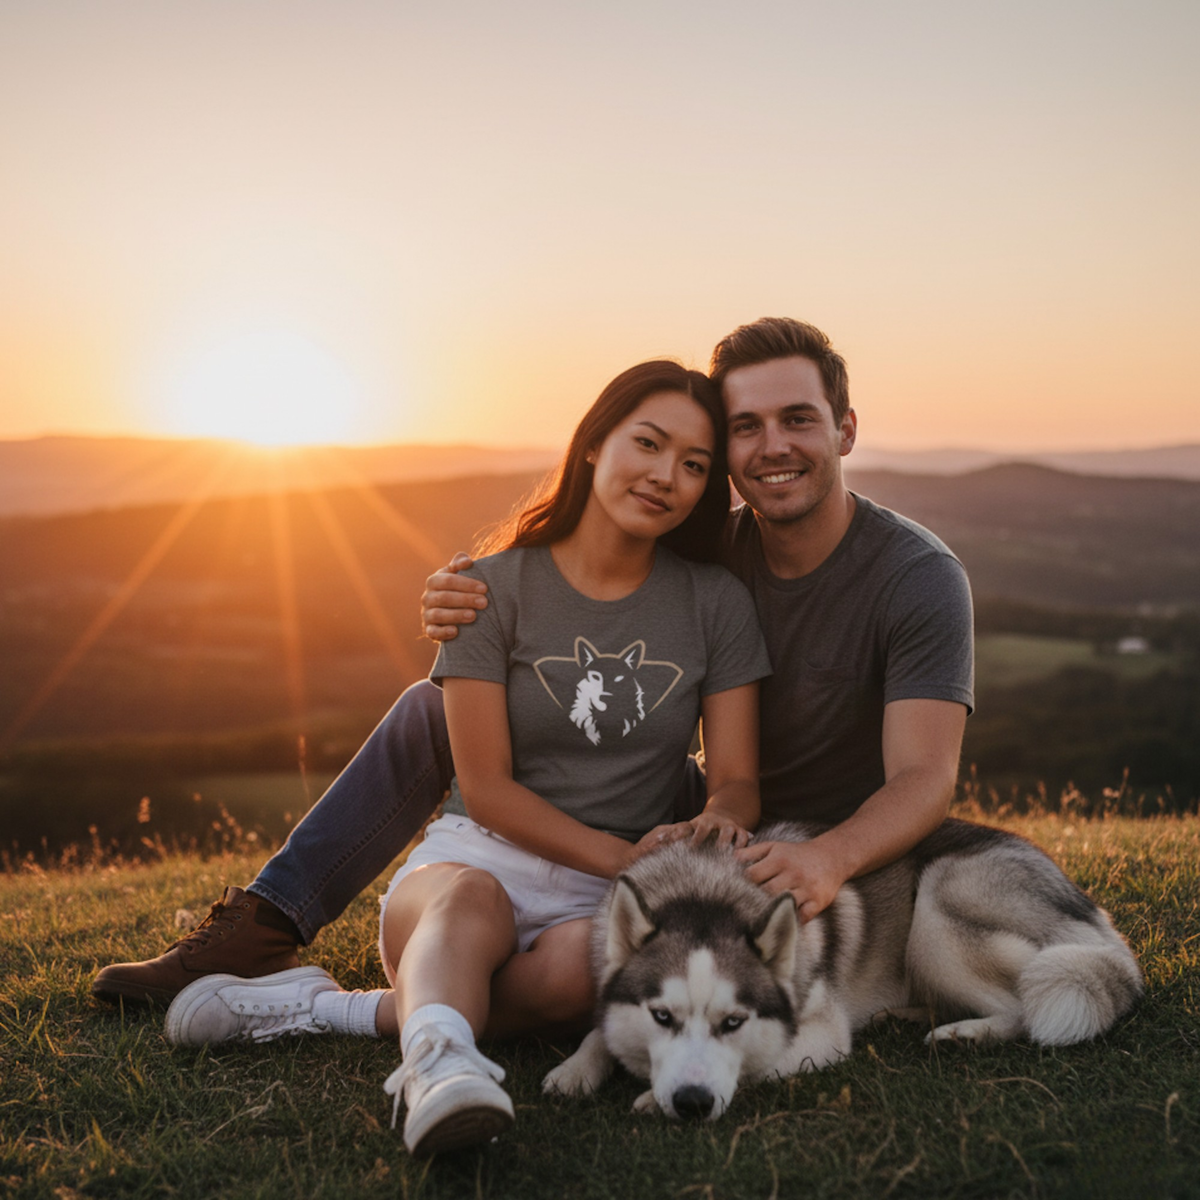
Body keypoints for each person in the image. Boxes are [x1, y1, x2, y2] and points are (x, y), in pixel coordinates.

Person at [94, 316, 972, 1006]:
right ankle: (266, 924)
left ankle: (370, 1009)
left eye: (798, 420)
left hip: (793, 844)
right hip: (693, 809)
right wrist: (465, 595)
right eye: (746, 428)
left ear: (846, 430)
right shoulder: (711, 551)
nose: (772, 447)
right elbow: (582, 583)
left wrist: (826, 860)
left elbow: (925, 779)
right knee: (428, 708)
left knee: (574, 974)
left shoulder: (915, 577)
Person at [155, 360, 772, 1155]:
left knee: (582, 980)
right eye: (647, 444)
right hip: (475, 862)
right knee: (473, 898)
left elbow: (738, 780)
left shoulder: (715, 603)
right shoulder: (488, 587)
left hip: (607, 891)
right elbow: (486, 791)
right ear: (594, 444)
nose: (666, 477)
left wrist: (718, 820)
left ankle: (330, 1009)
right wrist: (624, 857)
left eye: (694, 466)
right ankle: (442, 1071)